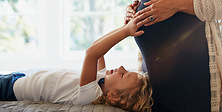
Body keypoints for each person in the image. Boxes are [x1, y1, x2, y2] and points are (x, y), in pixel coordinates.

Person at [0, 16, 153, 112]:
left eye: (123, 74)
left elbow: (91, 53)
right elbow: (97, 47)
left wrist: (126, 32)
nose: (120, 68)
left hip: (13, 90)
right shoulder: (100, 80)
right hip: (20, 79)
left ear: (112, 95)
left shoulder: (90, 95)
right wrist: (125, 26)